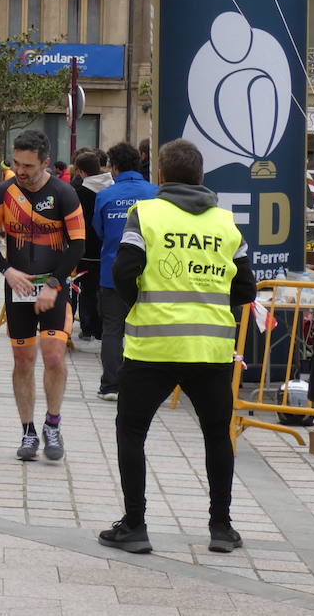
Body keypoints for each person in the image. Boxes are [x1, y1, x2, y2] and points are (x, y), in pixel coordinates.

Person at [99, 138, 254, 556]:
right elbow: (246, 286)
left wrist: (144, 305)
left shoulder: (145, 214)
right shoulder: (225, 222)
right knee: (216, 436)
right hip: (210, 350)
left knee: (132, 432)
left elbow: (124, 271)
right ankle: (221, 528)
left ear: (161, 177)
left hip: (152, 348)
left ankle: (135, 525)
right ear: (202, 177)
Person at [0, 128, 85, 463]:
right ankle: (28, 431)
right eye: (16, 163)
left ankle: (52, 424)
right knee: (23, 361)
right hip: (19, 290)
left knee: (53, 355)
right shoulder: (5, 193)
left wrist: (54, 284)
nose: (21, 171)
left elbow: (78, 244)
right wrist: (7, 271)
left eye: (28, 166)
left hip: (54, 288)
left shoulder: (64, 193)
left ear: (46, 163)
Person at [92, 142, 157, 402]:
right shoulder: (156, 193)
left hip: (112, 272)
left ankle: (111, 386)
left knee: (112, 330)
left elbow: (99, 230)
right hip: (150, 273)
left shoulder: (105, 195)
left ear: (115, 167)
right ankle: (144, 386)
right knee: (148, 330)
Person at [71, 150, 113, 342]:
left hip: (85, 248)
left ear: (81, 171)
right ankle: (102, 327)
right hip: (108, 247)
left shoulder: (78, 192)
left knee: (85, 289)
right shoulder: (112, 187)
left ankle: (87, 328)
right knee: (103, 289)